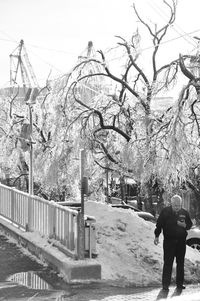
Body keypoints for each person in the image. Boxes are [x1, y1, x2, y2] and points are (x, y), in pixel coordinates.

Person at [154, 194, 193, 291]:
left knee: (180, 263)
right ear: (171, 204)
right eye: (175, 205)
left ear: (181, 204)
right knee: (168, 263)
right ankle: (165, 285)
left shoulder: (184, 212)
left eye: (178, 205)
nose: (177, 207)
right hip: (169, 242)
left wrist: (185, 225)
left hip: (181, 242)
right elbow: (159, 225)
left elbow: (189, 225)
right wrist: (156, 236)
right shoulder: (165, 212)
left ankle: (179, 284)